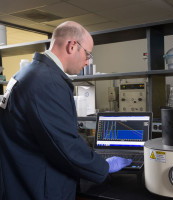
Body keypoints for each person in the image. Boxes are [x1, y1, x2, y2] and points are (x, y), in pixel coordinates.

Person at [0, 21, 132, 200]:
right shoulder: (47, 81)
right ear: (72, 46)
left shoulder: (24, 73)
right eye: (88, 54)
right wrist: (104, 167)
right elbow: (65, 146)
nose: (87, 62)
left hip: (20, 179)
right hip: (40, 187)